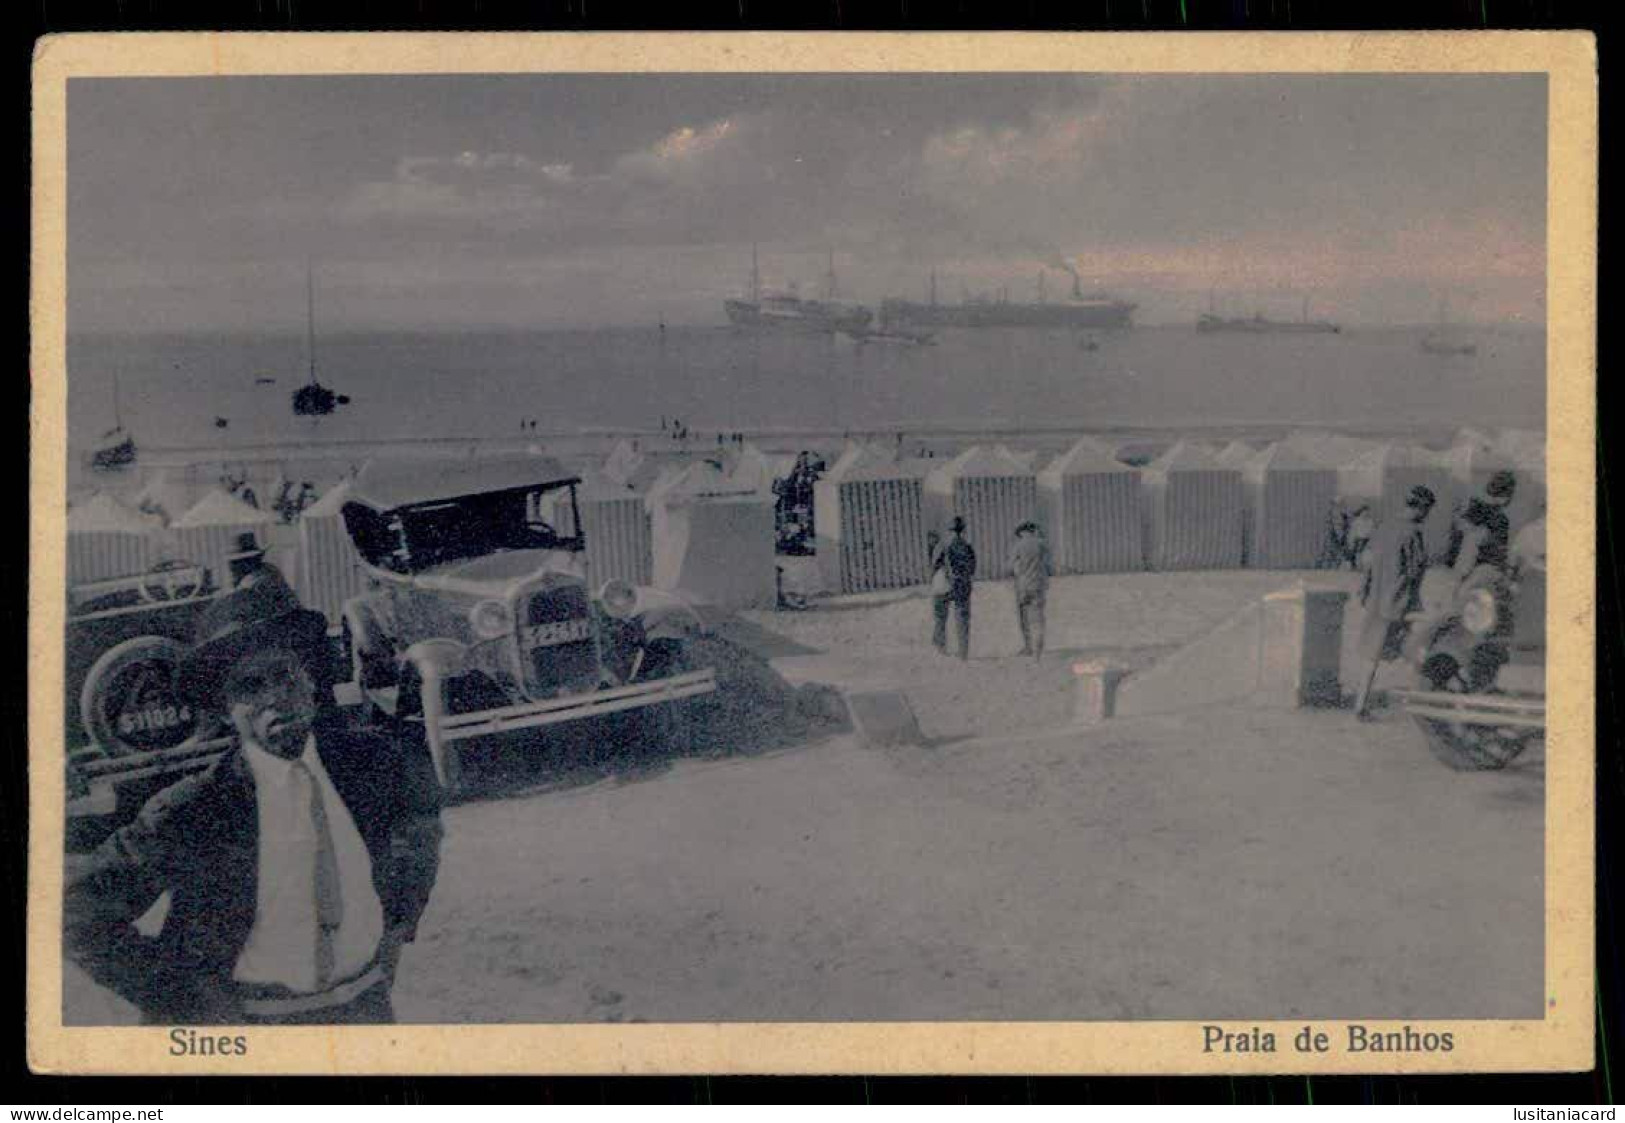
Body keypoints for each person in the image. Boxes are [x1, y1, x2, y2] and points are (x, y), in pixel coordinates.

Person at [63, 579, 444, 1025]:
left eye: (282, 675)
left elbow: (422, 832)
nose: (272, 698)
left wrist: (396, 929)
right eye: (249, 686)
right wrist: (182, 1002)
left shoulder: (375, 766)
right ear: (225, 709)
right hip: (253, 1030)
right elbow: (77, 915)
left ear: (309, 679)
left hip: (365, 1015)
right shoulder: (196, 808)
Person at [1353, 485, 1436, 719]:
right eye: (1427, 510)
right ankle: (1425, 704)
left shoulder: (1384, 528)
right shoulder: (1412, 533)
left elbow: (1368, 563)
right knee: (1420, 649)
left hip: (1377, 601)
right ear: (1420, 508)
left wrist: (1366, 591)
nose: (1427, 515)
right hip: (1400, 603)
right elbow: (1414, 571)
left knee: (1372, 655)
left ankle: (1361, 703)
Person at [930, 516, 977, 659]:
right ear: (962, 530)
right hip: (962, 585)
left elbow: (934, 564)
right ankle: (963, 652)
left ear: (949, 530)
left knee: (940, 617)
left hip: (945, 585)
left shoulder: (942, 545)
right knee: (962, 618)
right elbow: (973, 567)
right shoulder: (967, 546)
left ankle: (941, 647)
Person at [1009, 521, 1051, 660]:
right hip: (1039, 584)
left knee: (1024, 617)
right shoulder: (1041, 544)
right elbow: (1048, 564)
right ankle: (1039, 645)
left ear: (1021, 532)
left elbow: (1012, 567)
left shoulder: (1018, 546)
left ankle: (1028, 646)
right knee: (1038, 616)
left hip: (1023, 585)